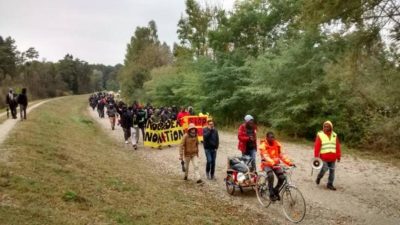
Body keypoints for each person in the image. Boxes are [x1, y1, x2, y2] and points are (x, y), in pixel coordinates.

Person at [259, 132, 294, 201]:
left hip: (275, 164)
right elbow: (266, 156)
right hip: (266, 164)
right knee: (270, 175)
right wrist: (272, 162)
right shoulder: (263, 146)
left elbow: (281, 155)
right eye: (270, 137)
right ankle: (271, 194)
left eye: (273, 137)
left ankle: (276, 190)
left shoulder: (277, 145)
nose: (272, 139)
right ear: (267, 138)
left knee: (282, 177)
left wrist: (289, 163)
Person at [314, 121, 341, 191]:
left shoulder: (335, 135)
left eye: (327, 126)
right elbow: (317, 147)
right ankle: (319, 177)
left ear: (331, 127)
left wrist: (338, 156)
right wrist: (316, 157)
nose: (325, 128)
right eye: (324, 126)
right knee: (325, 168)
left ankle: (330, 184)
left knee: (332, 171)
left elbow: (337, 146)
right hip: (324, 157)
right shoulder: (320, 135)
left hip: (333, 157)